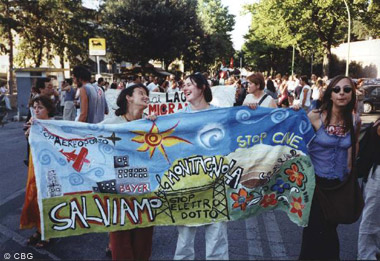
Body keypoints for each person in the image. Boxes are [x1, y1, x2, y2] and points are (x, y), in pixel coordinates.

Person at [299, 75, 360, 260]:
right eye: (337, 90)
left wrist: (349, 174)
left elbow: (353, 149)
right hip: (315, 185)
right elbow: (297, 144)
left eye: (347, 90)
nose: (342, 93)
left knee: (329, 230)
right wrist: (295, 111)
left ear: (352, 94)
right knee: (316, 233)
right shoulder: (315, 116)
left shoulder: (354, 120)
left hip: (338, 186)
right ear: (330, 94)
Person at [173, 73, 229, 260]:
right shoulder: (179, 117)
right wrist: (154, 119)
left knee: (217, 238)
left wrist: (253, 109)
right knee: (185, 239)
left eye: (190, 84)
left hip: (215, 184)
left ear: (202, 87)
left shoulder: (219, 114)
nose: (185, 88)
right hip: (188, 184)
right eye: (184, 85)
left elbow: (241, 128)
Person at [101, 83, 154, 260]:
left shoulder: (151, 123)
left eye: (147, 94)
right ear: (128, 97)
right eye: (141, 93)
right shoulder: (111, 124)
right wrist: (41, 130)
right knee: (120, 241)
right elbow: (83, 135)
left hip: (144, 192)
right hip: (118, 193)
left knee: (143, 242)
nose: (145, 96)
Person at [21, 95, 56, 248]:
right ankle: (38, 229)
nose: (36, 110)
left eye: (40, 107)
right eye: (34, 107)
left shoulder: (55, 125)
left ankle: (47, 233)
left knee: (46, 199)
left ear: (48, 109)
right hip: (34, 167)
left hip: (49, 170)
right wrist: (30, 132)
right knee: (34, 197)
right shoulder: (34, 124)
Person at [357, 117, 380, 260]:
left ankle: (373, 251)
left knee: (374, 218)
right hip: (377, 175)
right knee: (371, 219)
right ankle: (366, 256)